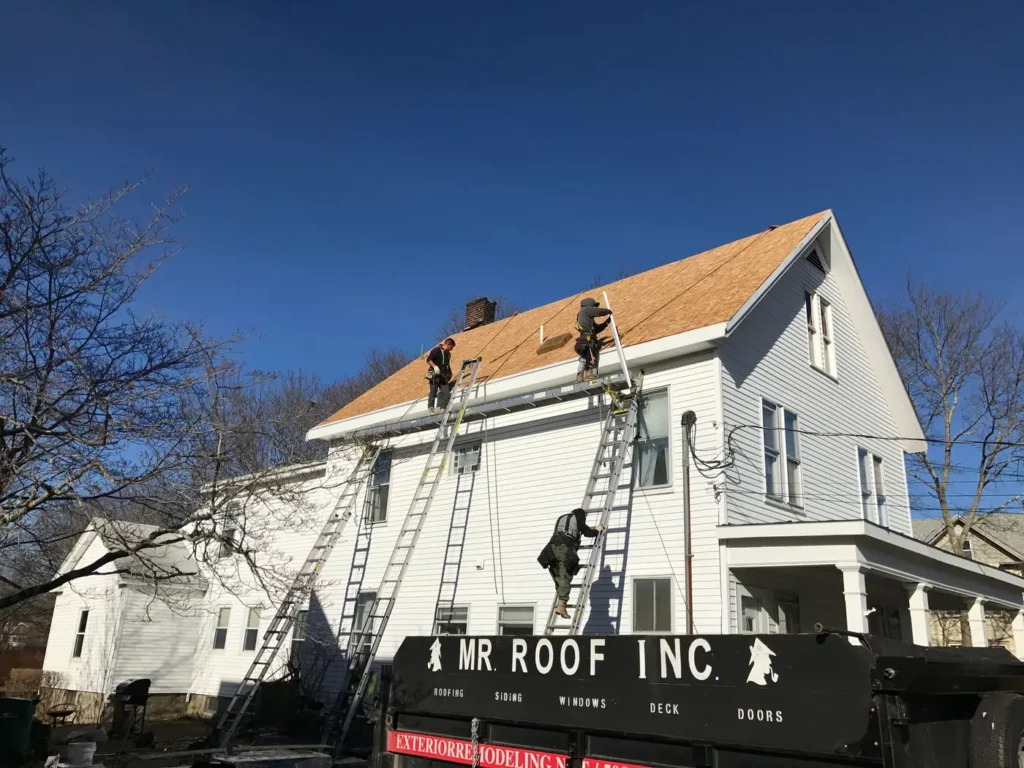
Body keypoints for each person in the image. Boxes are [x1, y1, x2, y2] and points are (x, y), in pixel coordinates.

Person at [537, 508, 605, 619]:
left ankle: (561, 604)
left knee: (558, 575)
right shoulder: (578, 517)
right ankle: (562, 606)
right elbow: (587, 532)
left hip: (552, 547)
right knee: (566, 576)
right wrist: (597, 530)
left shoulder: (562, 518)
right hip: (563, 547)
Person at [574, 298, 612, 382]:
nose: (594, 308)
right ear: (589, 305)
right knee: (590, 356)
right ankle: (588, 373)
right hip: (588, 340)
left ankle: (580, 376)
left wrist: (606, 323)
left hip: (583, 340)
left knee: (584, 358)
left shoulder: (584, 318)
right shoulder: (585, 310)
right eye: (593, 306)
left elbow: (596, 329)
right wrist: (608, 311)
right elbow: (599, 312)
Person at [425, 337, 456, 415]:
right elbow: (429, 360)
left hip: (443, 377)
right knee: (433, 392)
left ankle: (443, 408)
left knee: (447, 394)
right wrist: (435, 366)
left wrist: (449, 374)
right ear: (448, 344)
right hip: (435, 376)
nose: (451, 349)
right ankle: (431, 408)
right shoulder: (436, 350)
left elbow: (447, 365)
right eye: (451, 347)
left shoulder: (448, 354)